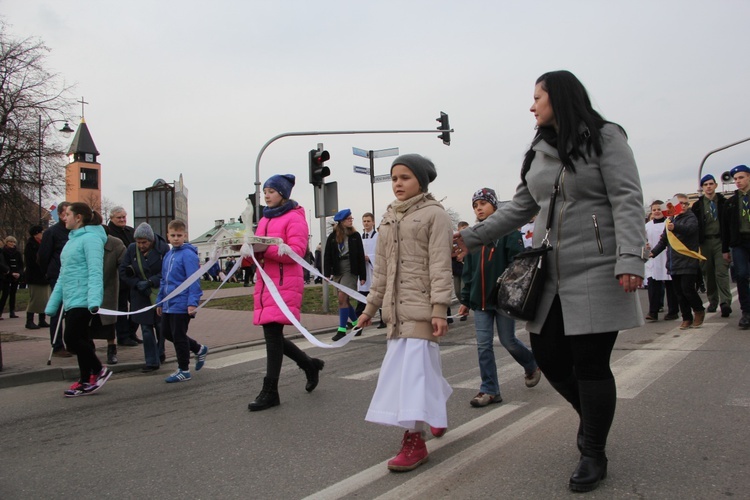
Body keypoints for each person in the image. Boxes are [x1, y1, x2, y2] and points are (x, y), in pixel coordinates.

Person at [454, 71, 647, 492]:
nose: (531, 106)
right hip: (548, 271)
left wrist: (630, 257)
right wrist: (468, 238)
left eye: (537, 97)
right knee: (550, 355)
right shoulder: (538, 152)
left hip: (598, 265)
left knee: (591, 363)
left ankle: (593, 450)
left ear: (558, 97)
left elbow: (628, 198)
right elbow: (520, 207)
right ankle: (593, 418)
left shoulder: (606, 137)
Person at [357, 153, 453, 472]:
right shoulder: (388, 218)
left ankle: (416, 439)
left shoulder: (434, 214)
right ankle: (434, 411)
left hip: (422, 309)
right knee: (417, 370)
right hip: (394, 313)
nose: (397, 183)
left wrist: (440, 309)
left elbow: (441, 264)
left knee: (411, 375)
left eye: (405, 177)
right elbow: (381, 271)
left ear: (421, 182)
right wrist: (370, 308)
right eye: (394, 178)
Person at [458, 188, 541, 408]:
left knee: (508, 341)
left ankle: (531, 362)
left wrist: (511, 291)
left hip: (502, 301)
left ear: (494, 206)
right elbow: (468, 272)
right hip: (480, 301)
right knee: (483, 345)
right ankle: (490, 390)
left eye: (483, 204)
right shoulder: (473, 235)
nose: (479, 208)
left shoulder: (509, 233)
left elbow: (518, 265)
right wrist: (466, 301)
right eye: (475, 205)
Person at [247, 174, 324, 411]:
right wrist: (246, 252)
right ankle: (309, 364)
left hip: (284, 284)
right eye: (265, 192)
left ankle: (271, 391)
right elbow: (259, 249)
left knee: (272, 335)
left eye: (270, 191)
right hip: (266, 283)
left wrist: (264, 250)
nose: (266, 195)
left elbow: (298, 251)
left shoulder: (295, 218)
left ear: (282, 194)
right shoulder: (264, 219)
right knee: (273, 335)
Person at [44, 203, 112, 397]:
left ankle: (98, 370)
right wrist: (53, 303)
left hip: (84, 298)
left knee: (72, 340)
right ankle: (85, 380)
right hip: (71, 297)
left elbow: (95, 270)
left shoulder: (91, 239)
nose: (64, 218)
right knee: (81, 339)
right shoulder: (72, 240)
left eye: (67, 214)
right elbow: (63, 275)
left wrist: (93, 300)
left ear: (79, 217)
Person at [155, 219, 209, 383]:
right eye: (173, 235)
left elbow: (193, 280)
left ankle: (184, 369)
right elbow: (164, 280)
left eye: (179, 235)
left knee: (178, 335)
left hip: (182, 303)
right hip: (168, 303)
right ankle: (199, 349)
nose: (176, 238)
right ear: (168, 236)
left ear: (185, 235)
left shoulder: (188, 255)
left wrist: (192, 302)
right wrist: (160, 301)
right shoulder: (168, 255)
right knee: (166, 333)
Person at [649, 194, 705, 330]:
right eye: (681, 203)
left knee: (688, 289)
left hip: (688, 260)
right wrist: (653, 253)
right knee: (679, 292)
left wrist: (676, 227)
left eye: (686, 203)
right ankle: (687, 318)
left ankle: (699, 310)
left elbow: (690, 230)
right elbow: (664, 240)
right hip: (674, 262)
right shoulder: (670, 219)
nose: (684, 206)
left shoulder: (690, 217)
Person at [120, 223, 169, 372]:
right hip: (140, 295)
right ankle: (151, 361)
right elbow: (122, 271)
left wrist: (150, 282)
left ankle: (160, 351)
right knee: (146, 329)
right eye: (139, 242)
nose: (141, 246)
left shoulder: (163, 250)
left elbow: (167, 272)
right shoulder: (131, 249)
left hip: (157, 293)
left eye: (144, 242)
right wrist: (136, 283)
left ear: (151, 240)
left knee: (160, 326)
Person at [692, 174, 732, 317]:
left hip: (720, 241)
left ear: (715, 185)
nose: (708, 187)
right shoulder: (698, 205)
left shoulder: (723, 202)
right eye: (705, 185)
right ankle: (713, 301)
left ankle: (725, 302)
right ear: (702, 188)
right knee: (708, 273)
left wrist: (728, 244)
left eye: (710, 184)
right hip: (704, 243)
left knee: (721, 272)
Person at [325, 208, 367, 341]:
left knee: (342, 298)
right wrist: (327, 273)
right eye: (348, 219)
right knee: (344, 300)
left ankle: (341, 330)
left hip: (351, 268)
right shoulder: (333, 236)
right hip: (338, 269)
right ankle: (357, 324)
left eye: (351, 219)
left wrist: (362, 275)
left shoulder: (355, 236)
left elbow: (360, 255)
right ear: (341, 222)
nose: (351, 221)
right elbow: (327, 255)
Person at [38, 201, 71, 356]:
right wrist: (48, 272)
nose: (67, 217)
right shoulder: (52, 232)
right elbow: (43, 256)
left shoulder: (74, 231)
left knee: (72, 311)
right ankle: (57, 345)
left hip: (73, 276)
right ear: (59, 215)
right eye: (65, 214)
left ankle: (72, 342)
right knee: (57, 311)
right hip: (57, 275)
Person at [90, 227, 126, 365]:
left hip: (108, 288)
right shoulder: (86, 242)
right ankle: (90, 350)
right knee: (88, 322)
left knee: (109, 323)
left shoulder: (115, 243)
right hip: (88, 289)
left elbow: (124, 262)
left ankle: (112, 351)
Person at [721, 164, 750, 329]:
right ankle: (746, 311)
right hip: (739, 243)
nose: (738, 181)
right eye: (736, 179)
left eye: (741, 177)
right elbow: (725, 229)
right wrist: (725, 249)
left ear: (749, 177)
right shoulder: (731, 202)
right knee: (741, 275)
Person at [108, 206, 141, 346]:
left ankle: (132, 332)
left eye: (123, 217)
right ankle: (122, 336)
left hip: (132, 276)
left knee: (137, 305)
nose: (122, 220)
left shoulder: (130, 231)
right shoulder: (108, 232)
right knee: (121, 308)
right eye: (119, 217)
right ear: (111, 218)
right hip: (117, 276)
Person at [644, 200, 679, 321]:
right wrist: (646, 245)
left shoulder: (669, 223)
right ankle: (653, 311)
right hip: (653, 258)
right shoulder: (647, 226)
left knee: (670, 286)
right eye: (654, 210)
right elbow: (643, 239)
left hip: (667, 256)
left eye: (659, 209)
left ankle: (673, 311)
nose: (657, 212)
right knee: (653, 286)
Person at [24, 226, 51, 330]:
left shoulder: (42, 244)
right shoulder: (31, 246)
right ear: (36, 234)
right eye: (41, 232)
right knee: (34, 299)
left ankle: (42, 319)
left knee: (44, 300)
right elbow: (32, 262)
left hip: (43, 276)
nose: (42, 234)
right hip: (35, 277)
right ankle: (29, 321)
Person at [355, 212, 377, 317]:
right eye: (364, 221)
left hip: (373, 269)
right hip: (363, 270)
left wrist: (371, 257)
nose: (366, 223)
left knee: (377, 295)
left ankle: (383, 320)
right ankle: (358, 318)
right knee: (362, 295)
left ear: (373, 222)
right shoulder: (360, 237)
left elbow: (381, 252)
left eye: (368, 221)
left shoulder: (378, 236)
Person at [447, 221, 469, 324]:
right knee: (457, 292)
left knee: (463, 289)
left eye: (466, 227)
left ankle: (466, 309)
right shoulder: (447, 239)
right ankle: (464, 305)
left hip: (464, 267)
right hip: (455, 269)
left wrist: (462, 254)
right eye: (462, 228)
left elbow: (466, 250)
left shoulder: (461, 239)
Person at [0, 236, 23, 320]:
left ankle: (12, 311)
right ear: (6, 242)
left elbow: (20, 264)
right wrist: (10, 272)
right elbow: (3, 263)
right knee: (5, 294)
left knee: (13, 294)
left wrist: (19, 273)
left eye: (13, 242)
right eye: (10, 242)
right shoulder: (3, 252)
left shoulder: (17, 253)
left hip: (16, 276)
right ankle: (0, 312)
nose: (12, 244)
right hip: (6, 275)